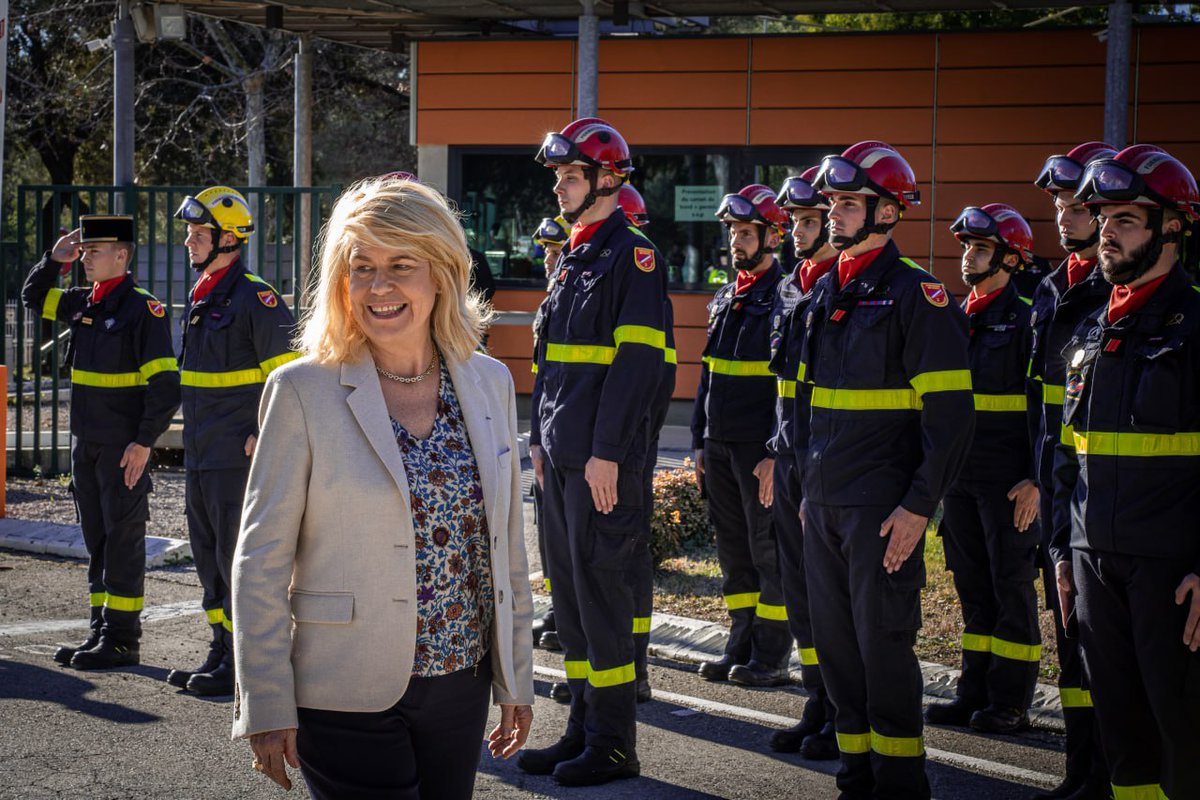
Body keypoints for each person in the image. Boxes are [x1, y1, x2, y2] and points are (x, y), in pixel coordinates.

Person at [230, 176, 534, 799]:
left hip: (461, 682)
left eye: (401, 264)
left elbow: (505, 546)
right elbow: (259, 562)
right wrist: (265, 701)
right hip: (343, 686)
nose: (378, 286)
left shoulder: (490, 383)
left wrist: (516, 680)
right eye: (360, 266)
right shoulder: (301, 391)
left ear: (443, 273)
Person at [802, 141, 974, 799]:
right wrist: (807, 492)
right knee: (838, 653)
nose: (835, 215)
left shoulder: (916, 295)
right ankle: (857, 776)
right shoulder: (826, 291)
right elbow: (817, 406)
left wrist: (918, 505)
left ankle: (900, 783)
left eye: (849, 204)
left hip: (883, 511)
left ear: (888, 212)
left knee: (883, 651)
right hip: (823, 504)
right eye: (834, 203)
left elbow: (952, 417)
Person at [519, 117, 674, 786]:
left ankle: (613, 745)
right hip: (562, 461)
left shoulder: (631, 256)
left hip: (602, 467)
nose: (559, 186)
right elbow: (553, 365)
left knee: (604, 605)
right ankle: (581, 730)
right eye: (558, 176)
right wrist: (539, 441)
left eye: (571, 176)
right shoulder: (577, 255)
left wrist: (608, 453)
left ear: (609, 180)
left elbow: (636, 365)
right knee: (574, 605)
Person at [1052, 146, 1200, 800]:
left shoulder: (1196, 322)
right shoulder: (1087, 324)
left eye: (1126, 220)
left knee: (1183, 731)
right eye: (1103, 217)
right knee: (1121, 731)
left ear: (1173, 227)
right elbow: (1066, 449)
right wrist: (1062, 547)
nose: (1106, 232)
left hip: (1171, 568)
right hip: (1093, 561)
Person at [22, 215, 180, 669]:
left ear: (122, 256)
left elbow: (165, 386)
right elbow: (33, 297)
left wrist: (144, 442)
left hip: (121, 449)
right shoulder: (79, 302)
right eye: (85, 250)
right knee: (96, 541)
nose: (87, 257)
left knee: (122, 541)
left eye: (95, 251)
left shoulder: (142, 310)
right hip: (85, 446)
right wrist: (55, 259)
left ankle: (123, 639)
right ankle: (100, 630)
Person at [169, 186, 299, 696]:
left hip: (237, 455)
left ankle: (245, 663)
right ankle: (221, 649)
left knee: (235, 558)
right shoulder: (204, 293)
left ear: (228, 239)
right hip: (202, 451)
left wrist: (263, 433)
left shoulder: (256, 298)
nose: (189, 242)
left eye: (198, 234)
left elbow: (289, 379)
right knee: (207, 555)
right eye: (189, 233)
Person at [925, 204, 1042, 735]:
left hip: (1010, 483)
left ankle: (1010, 701)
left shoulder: (1027, 320)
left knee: (1010, 587)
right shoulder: (951, 315)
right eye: (966, 246)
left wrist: (1038, 478)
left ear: (1011, 259)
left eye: (980, 248)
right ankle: (971, 692)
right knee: (972, 589)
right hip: (961, 480)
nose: (967, 256)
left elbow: (1049, 407)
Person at [1028, 141, 1117, 800]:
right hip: (1057, 486)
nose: (1064, 215)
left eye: (1077, 204)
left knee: (1108, 648)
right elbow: (1041, 408)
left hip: (1104, 498)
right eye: (1059, 203)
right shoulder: (1052, 289)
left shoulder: (1109, 293)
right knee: (1068, 640)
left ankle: (1115, 770)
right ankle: (1080, 767)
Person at [692, 184, 792, 688]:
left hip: (759, 451)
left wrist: (777, 451)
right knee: (732, 551)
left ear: (774, 236)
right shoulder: (727, 296)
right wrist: (697, 441)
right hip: (719, 443)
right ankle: (740, 642)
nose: (737, 241)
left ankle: (771, 655)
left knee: (766, 549)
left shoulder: (786, 297)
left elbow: (787, 385)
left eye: (746, 233)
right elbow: (707, 374)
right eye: (733, 232)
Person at [766, 168, 840, 758]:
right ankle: (819, 703)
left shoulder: (844, 287)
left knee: (830, 595)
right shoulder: (793, 285)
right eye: (794, 221)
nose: (798, 230)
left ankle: (843, 711)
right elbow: (784, 386)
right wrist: (774, 452)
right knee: (800, 592)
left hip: (826, 466)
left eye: (810, 221)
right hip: (789, 459)